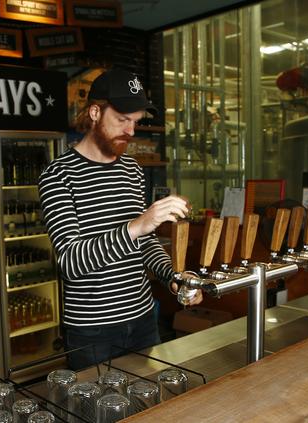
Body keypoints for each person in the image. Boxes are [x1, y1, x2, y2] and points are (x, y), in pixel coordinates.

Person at [38, 69, 202, 370]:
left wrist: (173, 277)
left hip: (142, 319)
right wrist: (138, 225)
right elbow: (71, 263)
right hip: (92, 331)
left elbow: (144, 241)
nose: (130, 131)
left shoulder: (132, 169)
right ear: (95, 112)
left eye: (136, 122)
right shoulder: (58, 175)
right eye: (122, 120)